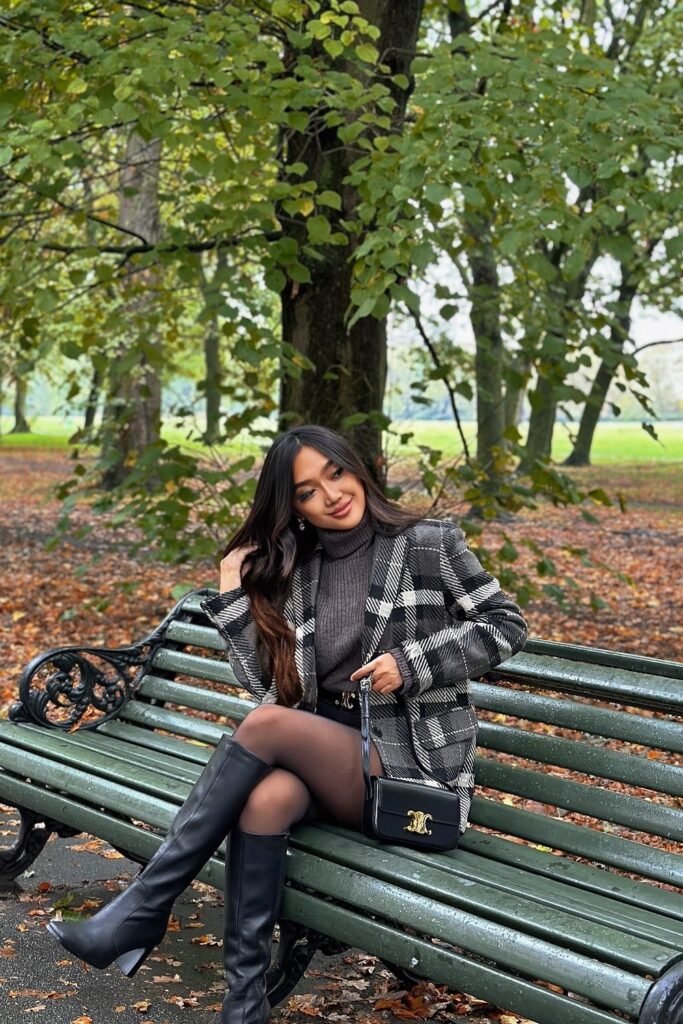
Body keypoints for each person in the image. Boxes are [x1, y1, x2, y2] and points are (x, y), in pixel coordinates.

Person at [48, 424, 528, 1024]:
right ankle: (243, 1003)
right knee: (266, 799)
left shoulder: (427, 544)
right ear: (293, 506)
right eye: (306, 491)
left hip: (409, 772)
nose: (330, 495)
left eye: (334, 473)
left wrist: (412, 664)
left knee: (267, 727)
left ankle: (143, 908)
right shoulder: (302, 570)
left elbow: (505, 624)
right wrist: (230, 588)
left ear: (356, 468)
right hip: (333, 760)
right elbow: (265, 687)